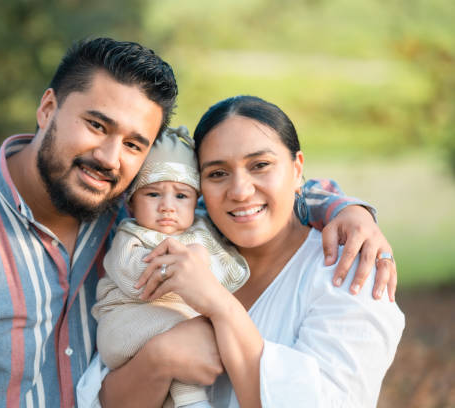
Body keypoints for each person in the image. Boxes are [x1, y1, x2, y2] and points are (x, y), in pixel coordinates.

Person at [0, 36, 395, 407]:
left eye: (134, 143)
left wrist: (343, 209)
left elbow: (246, 197)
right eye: (96, 124)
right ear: (46, 109)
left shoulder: (131, 210)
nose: (110, 157)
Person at [94, 96, 404, 407]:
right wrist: (160, 358)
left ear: (297, 169)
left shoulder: (350, 276)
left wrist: (219, 305)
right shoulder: (177, 247)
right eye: (217, 173)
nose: (240, 191)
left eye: (260, 165)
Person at [92, 126, 249, 408]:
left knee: (191, 333)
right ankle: (192, 400)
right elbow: (135, 279)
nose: (167, 206)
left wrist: (203, 261)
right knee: (188, 331)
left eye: (181, 196)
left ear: (196, 200)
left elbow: (226, 272)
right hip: (125, 325)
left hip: (172, 331)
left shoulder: (201, 232)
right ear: (131, 203)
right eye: (153, 195)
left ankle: (180, 401)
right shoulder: (131, 236)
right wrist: (181, 268)